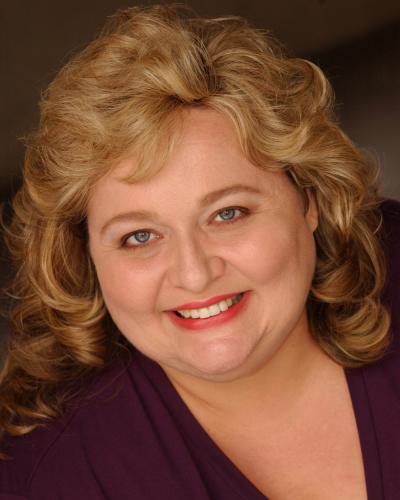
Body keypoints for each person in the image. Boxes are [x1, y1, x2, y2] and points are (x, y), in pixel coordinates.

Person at [0, 4, 399, 499]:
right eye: (139, 236)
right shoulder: (48, 479)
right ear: (85, 256)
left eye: (228, 213)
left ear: (308, 200)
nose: (194, 274)